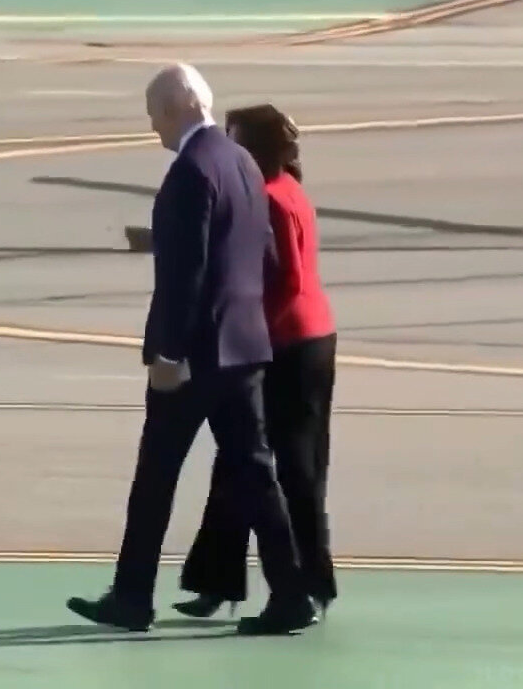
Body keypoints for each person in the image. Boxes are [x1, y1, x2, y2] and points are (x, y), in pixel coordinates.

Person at [65, 65, 319, 636]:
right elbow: (267, 257)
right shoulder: (242, 163)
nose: (152, 126)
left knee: (155, 476)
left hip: (196, 355)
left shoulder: (189, 172)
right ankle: (290, 593)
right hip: (244, 347)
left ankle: (132, 597)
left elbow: (185, 274)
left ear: (176, 108)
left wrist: (169, 354)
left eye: (154, 114)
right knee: (256, 474)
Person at [173, 103, 339, 621]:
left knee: (283, 470)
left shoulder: (269, 200)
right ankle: (220, 578)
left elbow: (281, 282)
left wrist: (244, 333)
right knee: (245, 462)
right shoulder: (285, 190)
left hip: (287, 348)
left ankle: (302, 585)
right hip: (301, 340)